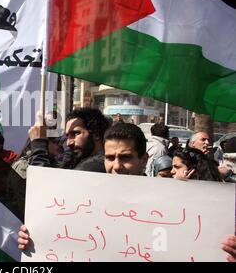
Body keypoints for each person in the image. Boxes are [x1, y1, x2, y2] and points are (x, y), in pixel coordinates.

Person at [18, 123, 236, 261]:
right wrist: (36, 239)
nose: (116, 166)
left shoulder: (171, 208)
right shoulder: (80, 205)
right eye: (110, 158)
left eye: (125, 157)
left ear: (144, 160)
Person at [28, 108, 110, 172]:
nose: (69, 143)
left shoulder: (96, 165)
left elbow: (43, 187)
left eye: (76, 134)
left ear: (96, 134)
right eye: (67, 136)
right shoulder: (78, 161)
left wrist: (38, 143)